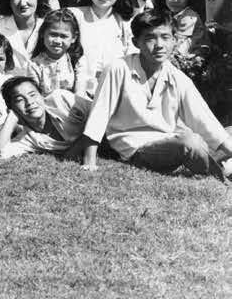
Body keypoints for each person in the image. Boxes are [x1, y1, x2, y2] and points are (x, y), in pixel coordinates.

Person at [79, 11, 232, 178]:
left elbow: (203, 119)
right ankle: (220, 172)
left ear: (175, 40)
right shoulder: (118, 68)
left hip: (171, 140)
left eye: (165, 37)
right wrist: (89, 161)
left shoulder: (178, 78)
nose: (159, 45)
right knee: (191, 142)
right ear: (136, 42)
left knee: (226, 132)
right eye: (150, 38)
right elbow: (99, 115)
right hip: (137, 148)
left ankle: (223, 162)